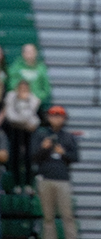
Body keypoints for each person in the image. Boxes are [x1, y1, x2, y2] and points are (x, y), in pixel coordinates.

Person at [32, 104, 79, 239]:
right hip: (45, 178)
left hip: (62, 179)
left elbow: (75, 157)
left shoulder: (68, 137)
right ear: (48, 118)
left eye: (59, 116)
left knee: (67, 216)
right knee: (48, 217)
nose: (56, 119)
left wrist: (63, 153)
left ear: (64, 118)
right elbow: (33, 157)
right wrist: (43, 148)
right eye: (53, 116)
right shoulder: (41, 135)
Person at [4, 78, 40, 192]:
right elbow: (10, 116)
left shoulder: (33, 99)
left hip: (28, 133)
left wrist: (21, 121)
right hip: (15, 131)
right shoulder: (11, 97)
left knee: (28, 156)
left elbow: (32, 118)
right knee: (15, 156)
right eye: (21, 88)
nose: (23, 91)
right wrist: (24, 122)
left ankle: (28, 183)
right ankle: (16, 184)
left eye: (25, 89)